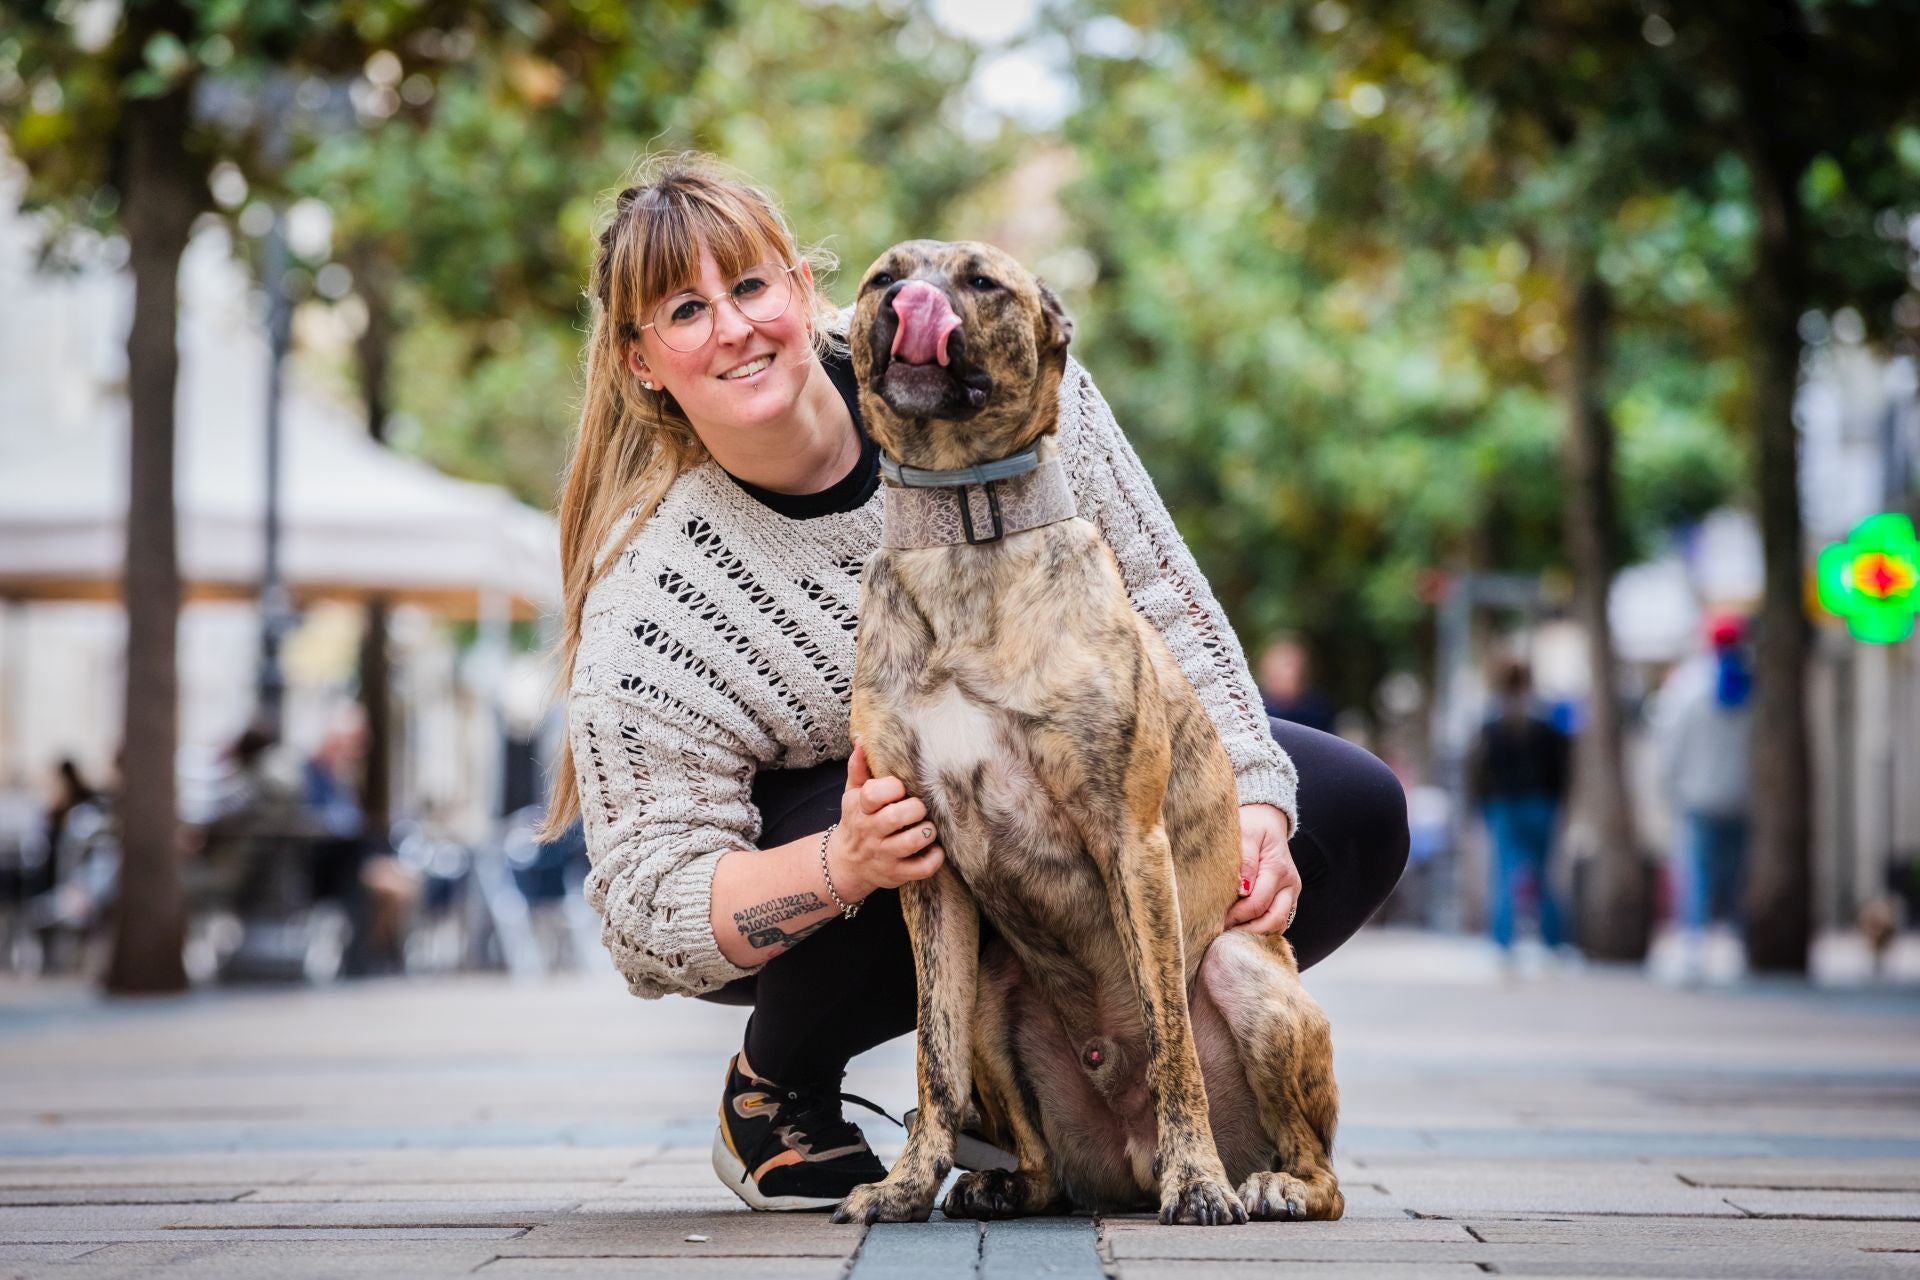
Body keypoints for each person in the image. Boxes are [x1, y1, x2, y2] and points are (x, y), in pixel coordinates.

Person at [546, 154, 1410, 1212]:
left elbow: (1166, 602)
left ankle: (1095, 1095)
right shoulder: (657, 598)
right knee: (920, 816)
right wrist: (840, 861)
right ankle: (779, 1084)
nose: (733, 327)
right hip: (870, 847)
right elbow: (645, 910)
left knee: (1346, 802)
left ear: (802, 287)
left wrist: (1261, 802)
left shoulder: (998, 374)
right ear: (640, 358)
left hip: (1067, 792)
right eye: (686, 309)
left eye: (751, 286)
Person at [1655, 615, 1754, 973]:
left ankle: (1694, 949)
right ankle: (1739, 947)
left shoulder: (1688, 687)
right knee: (1738, 876)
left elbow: (1669, 744)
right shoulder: (1753, 684)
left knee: (1696, 875)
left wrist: (1666, 787)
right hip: (1742, 796)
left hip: (1697, 795)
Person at [1468, 658, 1570, 959]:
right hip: (1541, 804)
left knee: (1504, 873)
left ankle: (1503, 942)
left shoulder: (1492, 724)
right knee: (1543, 875)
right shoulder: (1545, 721)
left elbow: (1480, 771)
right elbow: (1561, 769)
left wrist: (1483, 804)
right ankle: (1553, 942)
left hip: (1504, 806)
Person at [1257, 634, 1337, 735]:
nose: (1293, 672)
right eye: (1287, 665)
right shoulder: (1253, 705)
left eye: (1297, 665)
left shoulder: (1317, 710)